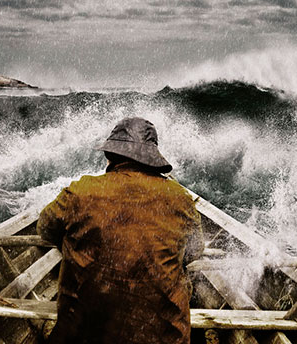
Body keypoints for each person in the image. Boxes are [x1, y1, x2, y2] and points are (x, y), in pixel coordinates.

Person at [37, 117, 204, 344]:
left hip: (83, 335)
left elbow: (45, 229)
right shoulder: (180, 199)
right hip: (164, 337)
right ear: (151, 160)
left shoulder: (80, 192)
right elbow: (195, 251)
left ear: (110, 156)